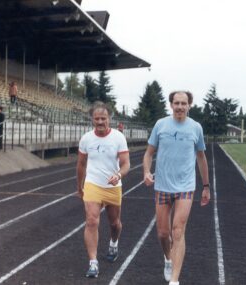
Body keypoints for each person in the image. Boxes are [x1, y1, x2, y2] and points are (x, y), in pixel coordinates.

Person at [143, 91, 210, 285]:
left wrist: (206, 186)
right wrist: (147, 171)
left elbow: (201, 157)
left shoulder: (196, 128)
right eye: (177, 103)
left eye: (184, 103)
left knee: (178, 231)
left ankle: (174, 280)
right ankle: (168, 258)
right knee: (163, 233)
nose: (180, 106)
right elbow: (148, 154)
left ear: (189, 105)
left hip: (185, 187)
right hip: (162, 185)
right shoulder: (160, 125)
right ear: (171, 105)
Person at [76, 101, 130, 278]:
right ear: (92, 120)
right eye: (97, 118)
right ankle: (93, 262)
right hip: (93, 184)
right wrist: (79, 185)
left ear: (109, 119)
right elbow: (81, 164)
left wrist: (119, 175)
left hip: (113, 186)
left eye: (103, 118)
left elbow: (126, 163)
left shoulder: (118, 137)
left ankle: (113, 243)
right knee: (92, 221)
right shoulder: (86, 139)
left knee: (115, 224)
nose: (100, 122)